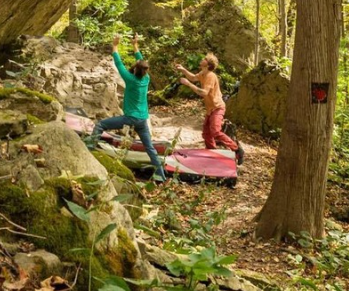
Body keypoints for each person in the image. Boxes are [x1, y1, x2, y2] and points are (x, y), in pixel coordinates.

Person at [89, 35, 166, 182]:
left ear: (136, 69)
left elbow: (118, 63)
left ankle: (90, 151)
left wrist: (115, 45)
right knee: (150, 149)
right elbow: (141, 61)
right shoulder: (146, 79)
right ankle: (161, 177)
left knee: (100, 125)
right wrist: (135, 45)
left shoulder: (130, 80)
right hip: (143, 120)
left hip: (130, 118)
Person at [177, 53, 244, 164]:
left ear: (208, 64)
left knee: (215, 131)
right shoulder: (203, 73)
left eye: (204, 59)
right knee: (206, 133)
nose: (202, 59)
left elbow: (203, 92)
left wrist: (188, 84)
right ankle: (212, 153)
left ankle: (237, 149)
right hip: (210, 109)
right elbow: (193, 77)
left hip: (218, 107)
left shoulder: (210, 76)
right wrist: (183, 70)